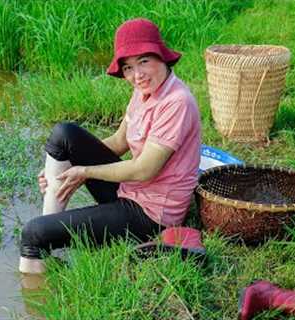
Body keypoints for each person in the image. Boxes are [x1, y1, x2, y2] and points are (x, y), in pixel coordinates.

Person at [19, 18, 201, 274]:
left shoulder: (177, 102)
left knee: (31, 234)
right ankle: (51, 231)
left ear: (161, 56)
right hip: (130, 190)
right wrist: (60, 168)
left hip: (150, 215)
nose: (136, 75)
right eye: (128, 67)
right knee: (64, 134)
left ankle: (40, 268)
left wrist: (85, 171)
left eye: (144, 61)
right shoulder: (144, 91)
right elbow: (118, 142)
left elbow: (144, 170)